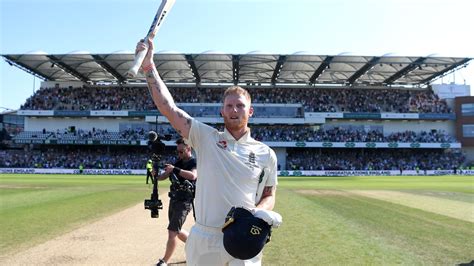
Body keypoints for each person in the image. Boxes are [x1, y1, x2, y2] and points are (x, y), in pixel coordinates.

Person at [136, 38, 278, 265]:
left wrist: (258, 213)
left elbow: (269, 195)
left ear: (250, 111)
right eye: (229, 106)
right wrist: (148, 67)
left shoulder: (266, 153)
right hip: (205, 237)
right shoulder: (205, 137)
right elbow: (168, 107)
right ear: (221, 111)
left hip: (242, 237)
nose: (234, 110)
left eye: (240, 106)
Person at [155, 138, 197, 266]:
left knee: (172, 231)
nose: (179, 154)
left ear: (188, 149)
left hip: (185, 200)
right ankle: (196, 246)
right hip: (174, 199)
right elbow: (163, 176)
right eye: (177, 151)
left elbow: (193, 176)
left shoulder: (194, 161)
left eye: (181, 151)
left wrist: (175, 169)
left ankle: (164, 261)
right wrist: (155, 174)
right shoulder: (178, 161)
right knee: (176, 231)